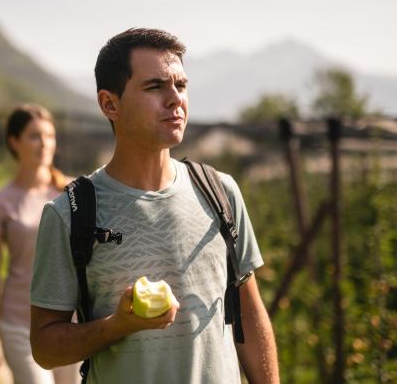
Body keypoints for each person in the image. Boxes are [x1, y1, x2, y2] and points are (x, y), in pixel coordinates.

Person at [29, 28, 280, 383]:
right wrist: (118, 326)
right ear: (109, 104)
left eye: (181, 85)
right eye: (155, 86)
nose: (175, 98)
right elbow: (44, 347)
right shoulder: (69, 214)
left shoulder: (220, 192)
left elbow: (250, 319)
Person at [0, 104, 79, 384]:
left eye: (50, 135)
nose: (44, 143)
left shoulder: (73, 192)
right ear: (14, 142)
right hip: (19, 323)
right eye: (35, 136)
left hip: (72, 323)